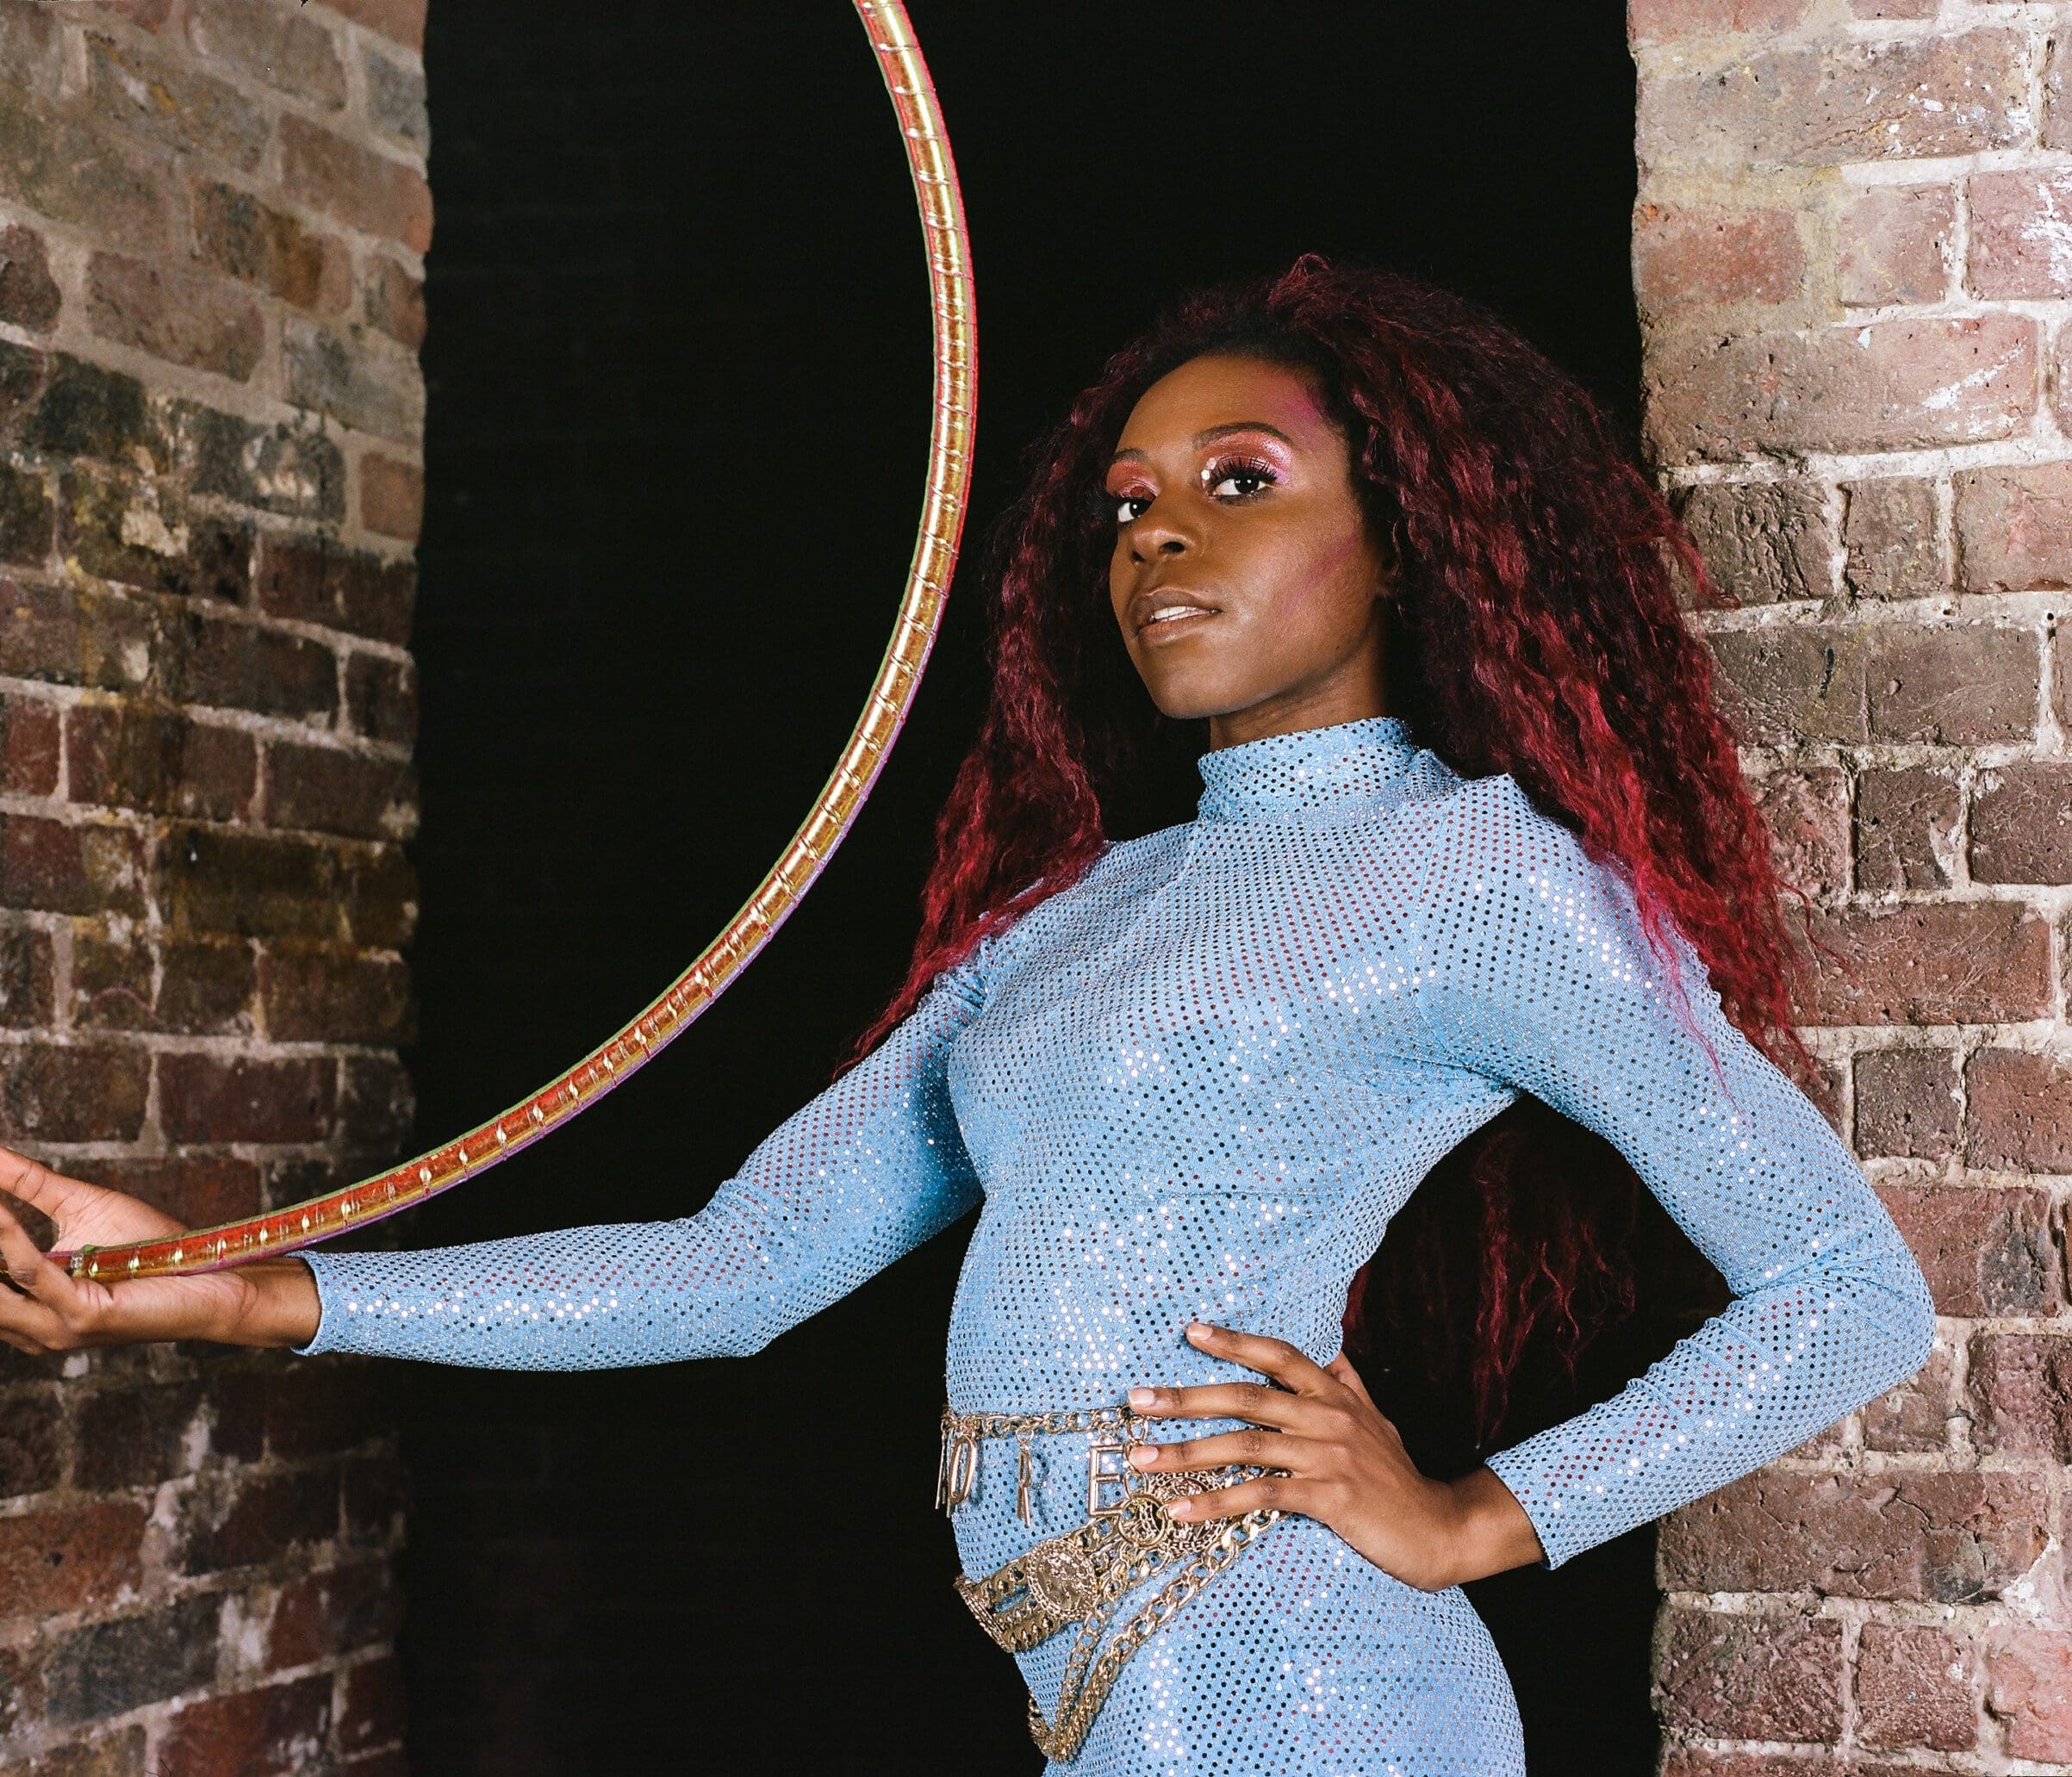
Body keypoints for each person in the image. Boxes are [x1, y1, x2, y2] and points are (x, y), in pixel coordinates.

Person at [0, 255, 1934, 1775]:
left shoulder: (1482, 886)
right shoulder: (1083, 911)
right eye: (1124, 505)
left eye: (1237, 485)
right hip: (1098, 1680)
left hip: (1304, 1678)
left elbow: (1846, 1292)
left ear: (1402, 531)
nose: (1156, 539)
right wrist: (253, 1287)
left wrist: (1466, 1519)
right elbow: (737, 1263)